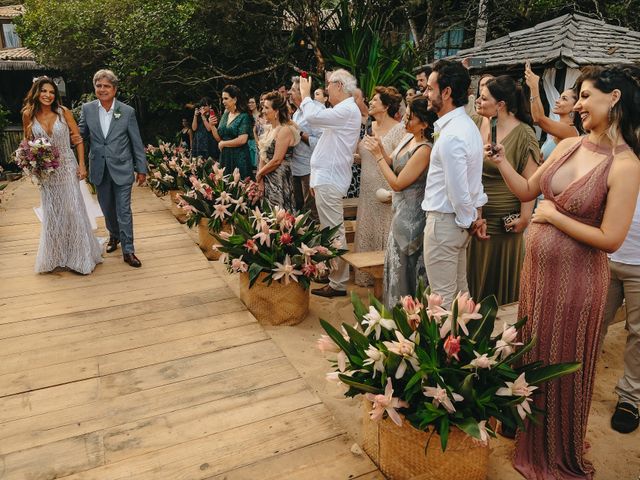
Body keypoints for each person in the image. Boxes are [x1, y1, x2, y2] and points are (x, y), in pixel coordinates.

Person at [487, 64, 640, 480]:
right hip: (537, 278)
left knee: (560, 359)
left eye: (586, 96)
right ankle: (528, 431)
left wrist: (553, 218)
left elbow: (610, 237)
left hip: (578, 283)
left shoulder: (626, 164)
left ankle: (555, 446)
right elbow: (526, 191)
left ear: (615, 98)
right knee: (533, 353)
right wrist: (502, 162)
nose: (579, 105)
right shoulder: (571, 145)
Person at [469, 75, 540, 305]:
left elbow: (531, 180)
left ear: (500, 105)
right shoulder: (479, 123)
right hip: (476, 218)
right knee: (474, 281)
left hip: (504, 222)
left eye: (484, 98)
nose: (478, 101)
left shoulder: (524, 134)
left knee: (498, 288)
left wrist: (525, 217)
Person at [22, 77, 103, 274]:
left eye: (51, 92)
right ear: (36, 93)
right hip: (46, 172)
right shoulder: (28, 115)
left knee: (73, 209)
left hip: (67, 166)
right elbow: (27, 143)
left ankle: (80, 256)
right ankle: (56, 255)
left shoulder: (63, 112)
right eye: (44, 91)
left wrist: (82, 165)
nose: (48, 95)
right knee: (52, 213)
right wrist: (32, 164)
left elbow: (78, 140)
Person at [422, 60, 487, 305]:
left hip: (445, 224)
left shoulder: (452, 135)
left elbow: (458, 190)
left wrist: (469, 220)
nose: (426, 94)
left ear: (446, 92)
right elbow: (475, 183)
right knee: (461, 297)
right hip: (459, 224)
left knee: (443, 302)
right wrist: (474, 217)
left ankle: (448, 344)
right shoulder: (467, 126)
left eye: (430, 88)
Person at [362, 96, 436, 308]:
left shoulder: (425, 150)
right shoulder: (407, 138)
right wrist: (380, 150)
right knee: (395, 270)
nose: (405, 121)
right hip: (399, 215)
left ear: (424, 123)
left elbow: (397, 183)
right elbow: (393, 162)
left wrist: (377, 156)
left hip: (413, 220)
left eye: (410, 118)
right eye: (405, 115)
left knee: (406, 273)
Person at [298, 69, 361, 298]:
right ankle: (333, 272)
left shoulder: (346, 109)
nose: (326, 89)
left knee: (334, 231)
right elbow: (315, 123)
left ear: (339, 86)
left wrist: (305, 95)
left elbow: (313, 117)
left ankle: (338, 282)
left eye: (329, 85)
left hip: (331, 179)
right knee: (329, 229)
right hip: (327, 178)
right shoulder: (343, 110)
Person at [79, 69, 147, 268]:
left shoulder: (127, 111)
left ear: (115, 89)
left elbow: (136, 142)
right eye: (98, 86)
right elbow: (80, 136)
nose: (102, 89)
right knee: (107, 209)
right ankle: (114, 236)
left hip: (123, 168)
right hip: (99, 168)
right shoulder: (87, 109)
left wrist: (141, 168)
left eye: (106, 86)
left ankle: (129, 250)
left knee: (123, 210)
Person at [354, 86, 406, 286]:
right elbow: (365, 155)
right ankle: (365, 276)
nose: (371, 103)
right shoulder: (369, 125)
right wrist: (353, 158)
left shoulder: (399, 130)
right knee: (368, 225)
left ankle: (386, 277)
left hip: (384, 186)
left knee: (385, 226)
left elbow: (398, 162)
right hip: (366, 186)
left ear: (385, 106)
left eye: (375, 100)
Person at [601, 197, 640, 434]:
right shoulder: (619, 159)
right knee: (592, 325)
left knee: (639, 333)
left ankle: (630, 398)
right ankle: (576, 385)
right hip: (603, 256)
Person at [524, 61, 581, 161]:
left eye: (564, 99)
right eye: (559, 97)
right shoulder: (557, 128)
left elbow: (538, 119)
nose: (557, 101)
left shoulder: (570, 130)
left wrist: (534, 86)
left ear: (575, 106)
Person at [256, 92, 299, 211]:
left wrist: (259, 174)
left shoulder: (285, 130)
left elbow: (277, 160)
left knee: (279, 214)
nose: (263, 110)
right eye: (263, 107)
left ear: (276, 111)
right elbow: (263, 155)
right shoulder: (269, 129)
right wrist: (260, 180)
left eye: (266, 108)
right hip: (267, 177)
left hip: (279, 179)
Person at [289, 76, 322, 217]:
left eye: (293, 90)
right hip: (295, 168)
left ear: (302, 91)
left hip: (310, 169)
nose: (290, 93)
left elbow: (321, 143)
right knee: (300, 210)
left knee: (311, 212)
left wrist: (299, 132)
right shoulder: (296, 113)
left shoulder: (316, 110)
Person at [209, 85, 253, 180]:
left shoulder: (244, 116)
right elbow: (219, 138)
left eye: (226, 98)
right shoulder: (225, 114)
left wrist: (224, 143)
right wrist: (212, 126)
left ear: (235, 99)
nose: (223, 101)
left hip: (239, 157)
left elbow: (242, 139)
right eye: (222, 99)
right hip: (225, 157)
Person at [247, 96, 260, 171]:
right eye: (249, 103)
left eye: (252, 102)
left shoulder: (260, 115)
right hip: (248, 140)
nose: (250, 104)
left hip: (257, 140)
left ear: (256, 104)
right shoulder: (247, 115)